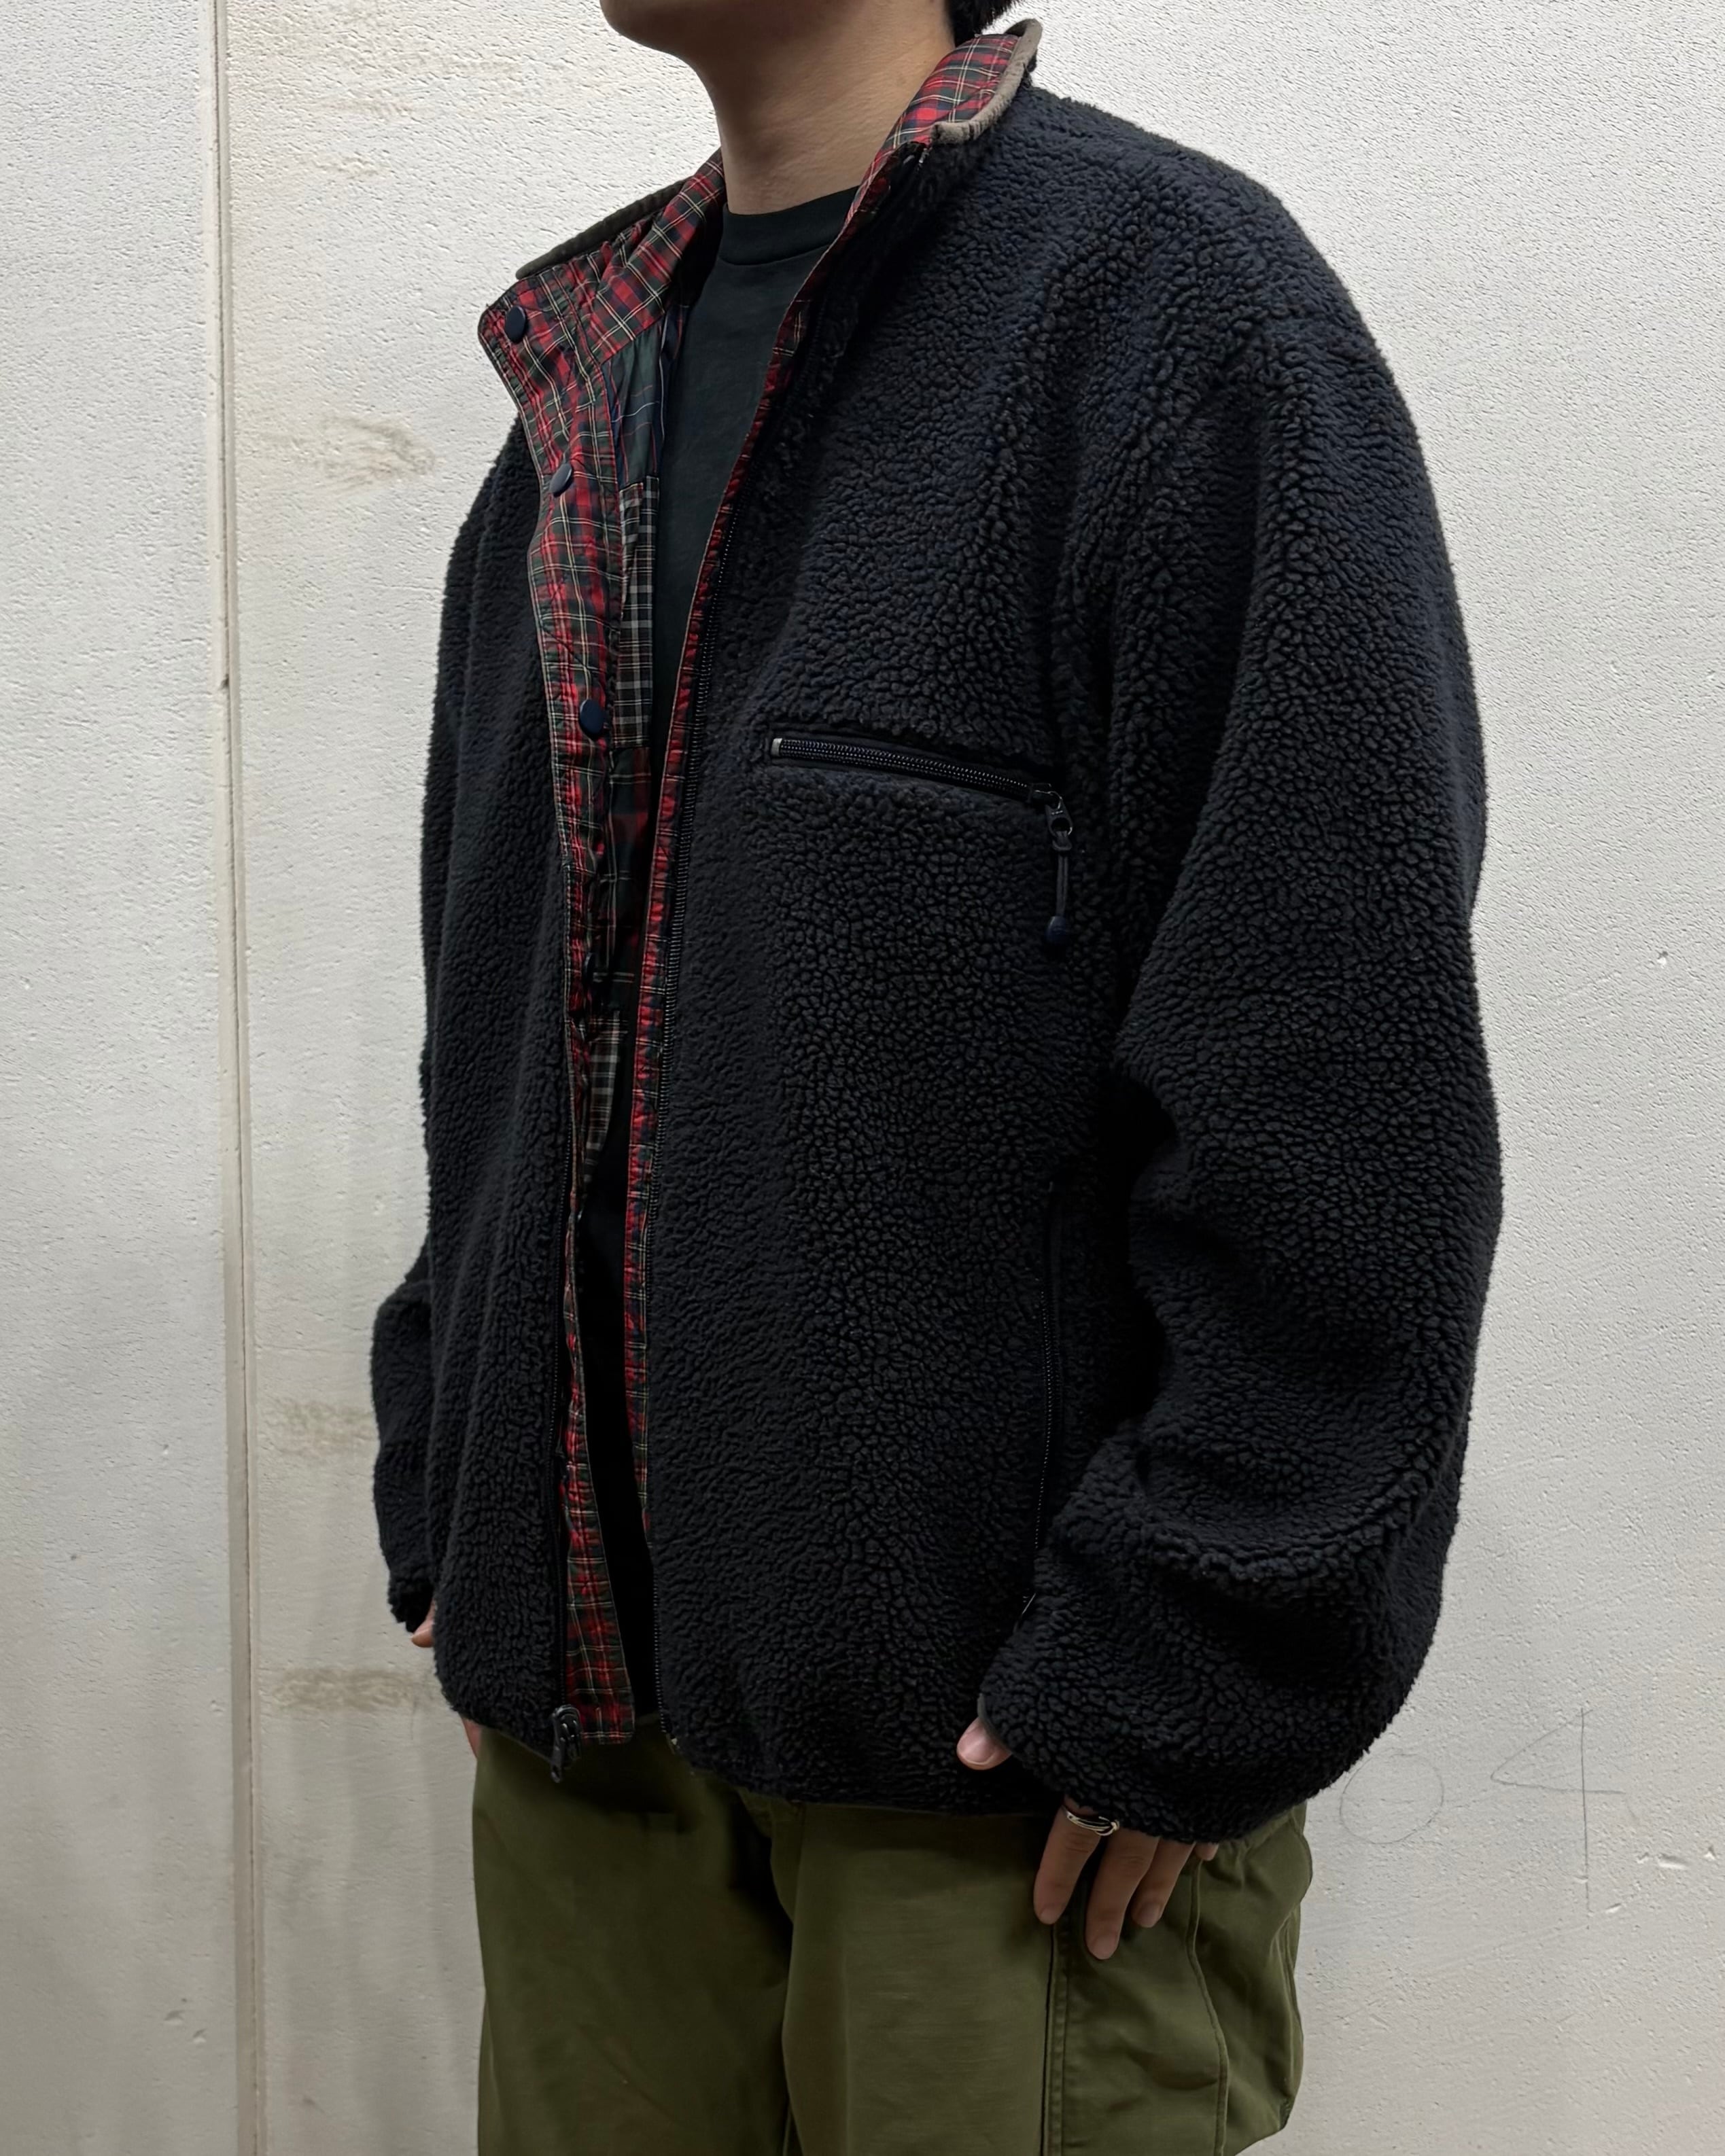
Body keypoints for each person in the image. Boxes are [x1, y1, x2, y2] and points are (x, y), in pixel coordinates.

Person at [370, 2, 1501, 2148]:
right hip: (590, 1740)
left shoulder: (1165, 316)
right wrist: (462, 1486)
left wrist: (1198, 1656)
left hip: (996, 1784)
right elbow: (506, 1019)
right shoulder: (586, 383)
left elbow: (1339, 1066)